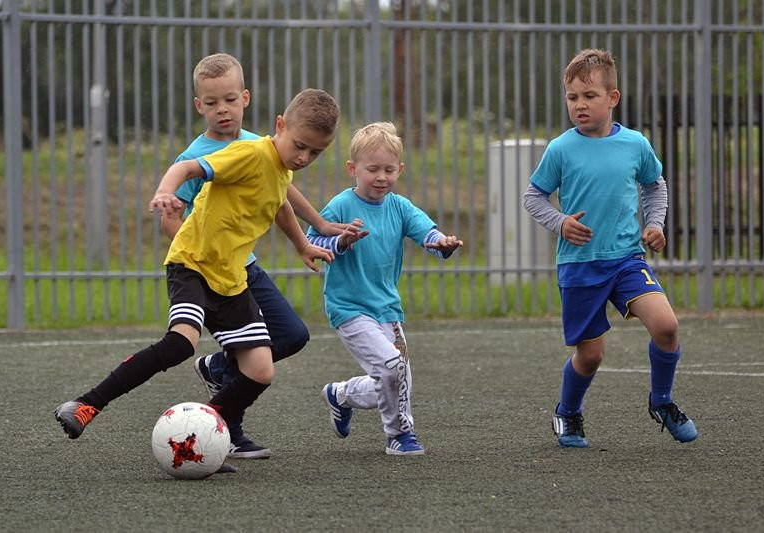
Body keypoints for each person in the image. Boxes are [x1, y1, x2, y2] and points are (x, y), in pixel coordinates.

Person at [54, 89, 341, 466]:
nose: (303, 157)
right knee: (180, 343)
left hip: (231, 278)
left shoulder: (281, 169)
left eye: (315, 153)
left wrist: (303, 244)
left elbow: (280, 205)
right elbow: (187, 168)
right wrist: (165, 191)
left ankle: (204, 434)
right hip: (192, 264)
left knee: (260, 370)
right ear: (280, 125)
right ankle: (86, 404)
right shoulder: (250, 153)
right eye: (300, 146)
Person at [160, 53, 349, 460]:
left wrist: (312, 232)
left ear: (245, 98)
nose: (222, 109)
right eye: (212, 103)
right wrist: (200, 256)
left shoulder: (259, 145)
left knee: (292, 335)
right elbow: (171, 221)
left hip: (244, 267)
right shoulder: (195, 157)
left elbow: (282, 193)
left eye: (230, 99)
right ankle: (228, 428)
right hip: (209, 272)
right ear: (199, 105)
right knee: (253, 359)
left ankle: (218, 370)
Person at [523, 48, 698, 448]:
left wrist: (654, 225)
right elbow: (533, 197)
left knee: (667, 326)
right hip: (580, 265)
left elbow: (655, 186)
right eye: (572, 97)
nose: (580, 105)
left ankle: (662, 401)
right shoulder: (560, 149)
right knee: (591, 356)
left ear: (613, 97)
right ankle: (568, 412)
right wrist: (560, 222)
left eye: (590, 96)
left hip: (626, 260)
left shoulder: (635, 144)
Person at [308, 122, 463, 455]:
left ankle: (341, 395)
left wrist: (443, 243)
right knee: (393, 367)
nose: (381, 177)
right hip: (349, 308)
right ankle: (399, 435)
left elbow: (427, 233)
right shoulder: (340, 206)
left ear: (400, 170)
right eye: (372, 169)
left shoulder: (400, 206)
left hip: (387, 309)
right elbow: (312, 242)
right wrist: (341, 241)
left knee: (397, 376)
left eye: (389, 170)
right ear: (352, 169)